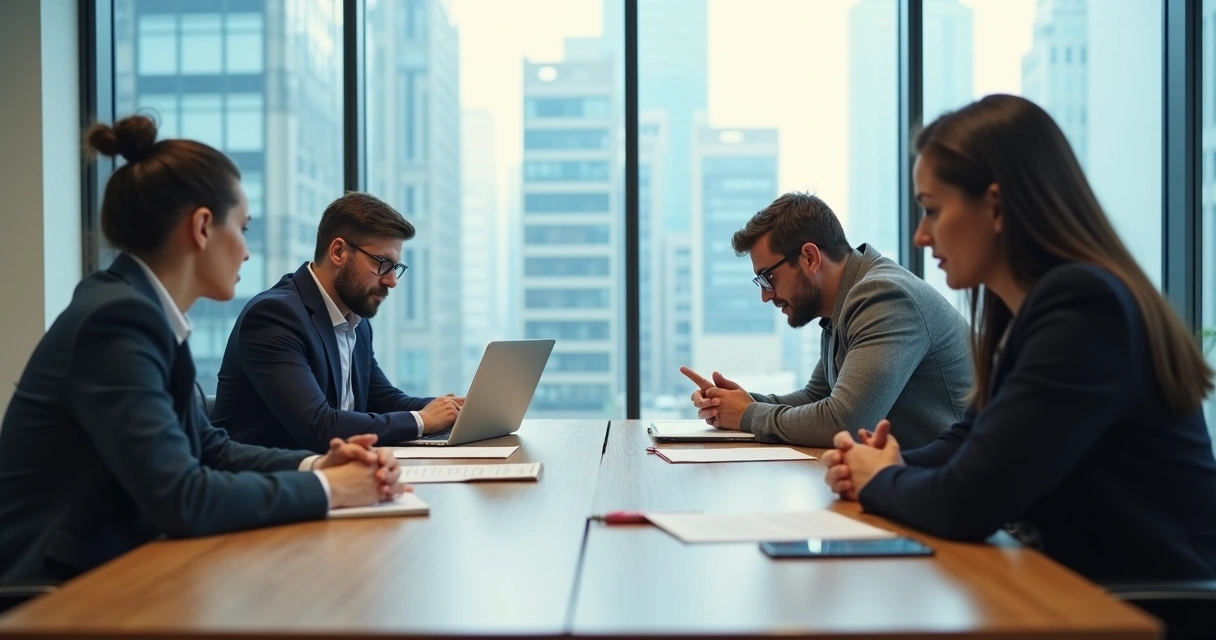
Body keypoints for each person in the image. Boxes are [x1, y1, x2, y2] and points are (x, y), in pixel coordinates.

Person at [823, 94, 1216, 582]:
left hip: (1150, 608)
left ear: (995, 205)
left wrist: (882, 478)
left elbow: (969, 501)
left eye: (931, 210)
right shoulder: (1030, 306)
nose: (921, 237)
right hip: (1076, 587)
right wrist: (882, 462)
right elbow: (972, 438)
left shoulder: (1084, 310)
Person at [0, 116, 404, 582]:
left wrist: (319, 463)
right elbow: (182, 497)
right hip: (57, 589)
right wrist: (328, 488)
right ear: (203, 227)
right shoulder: (116, 321)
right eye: (244, 228)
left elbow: (211, 448)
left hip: (119, 568)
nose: (247, 253)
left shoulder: (144, 312)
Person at [681, 192, 972, 448]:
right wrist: (733, 402)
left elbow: (846, 422)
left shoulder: (883, 296)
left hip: (957, 494)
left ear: (809, 258)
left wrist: (747, 414)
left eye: (767, 278)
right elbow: (815, 398)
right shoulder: (844, 303)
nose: (766, 296)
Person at [211, 192, 463, 452]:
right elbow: (319, 426)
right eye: (383, 264)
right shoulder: (274, 316)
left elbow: (383, 400)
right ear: (339, 252)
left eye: (395, 268)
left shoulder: (356, 321)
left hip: (333, 478)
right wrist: (423, 420)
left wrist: (456, 411)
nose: (391, 281)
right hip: (270, 485)